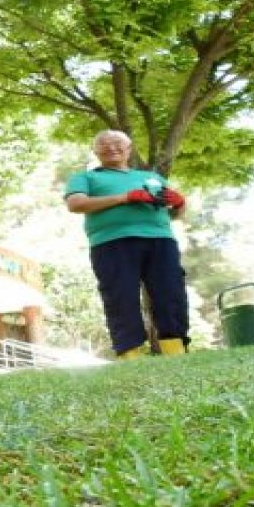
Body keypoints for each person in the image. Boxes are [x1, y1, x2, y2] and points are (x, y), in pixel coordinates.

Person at [64, 129, 190, 360]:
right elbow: (76, 204)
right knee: (121, 296)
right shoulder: (87, 177)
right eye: (104, 143)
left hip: (160, 240)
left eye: (117, 143)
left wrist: (180, 204)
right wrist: (124, 197)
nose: (111, 147)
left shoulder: (151, 178)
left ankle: (176, 351)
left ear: (129, 150)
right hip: (111, 242)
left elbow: (174, 214)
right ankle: (130, 354)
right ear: (96, 150)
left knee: (171, 293)